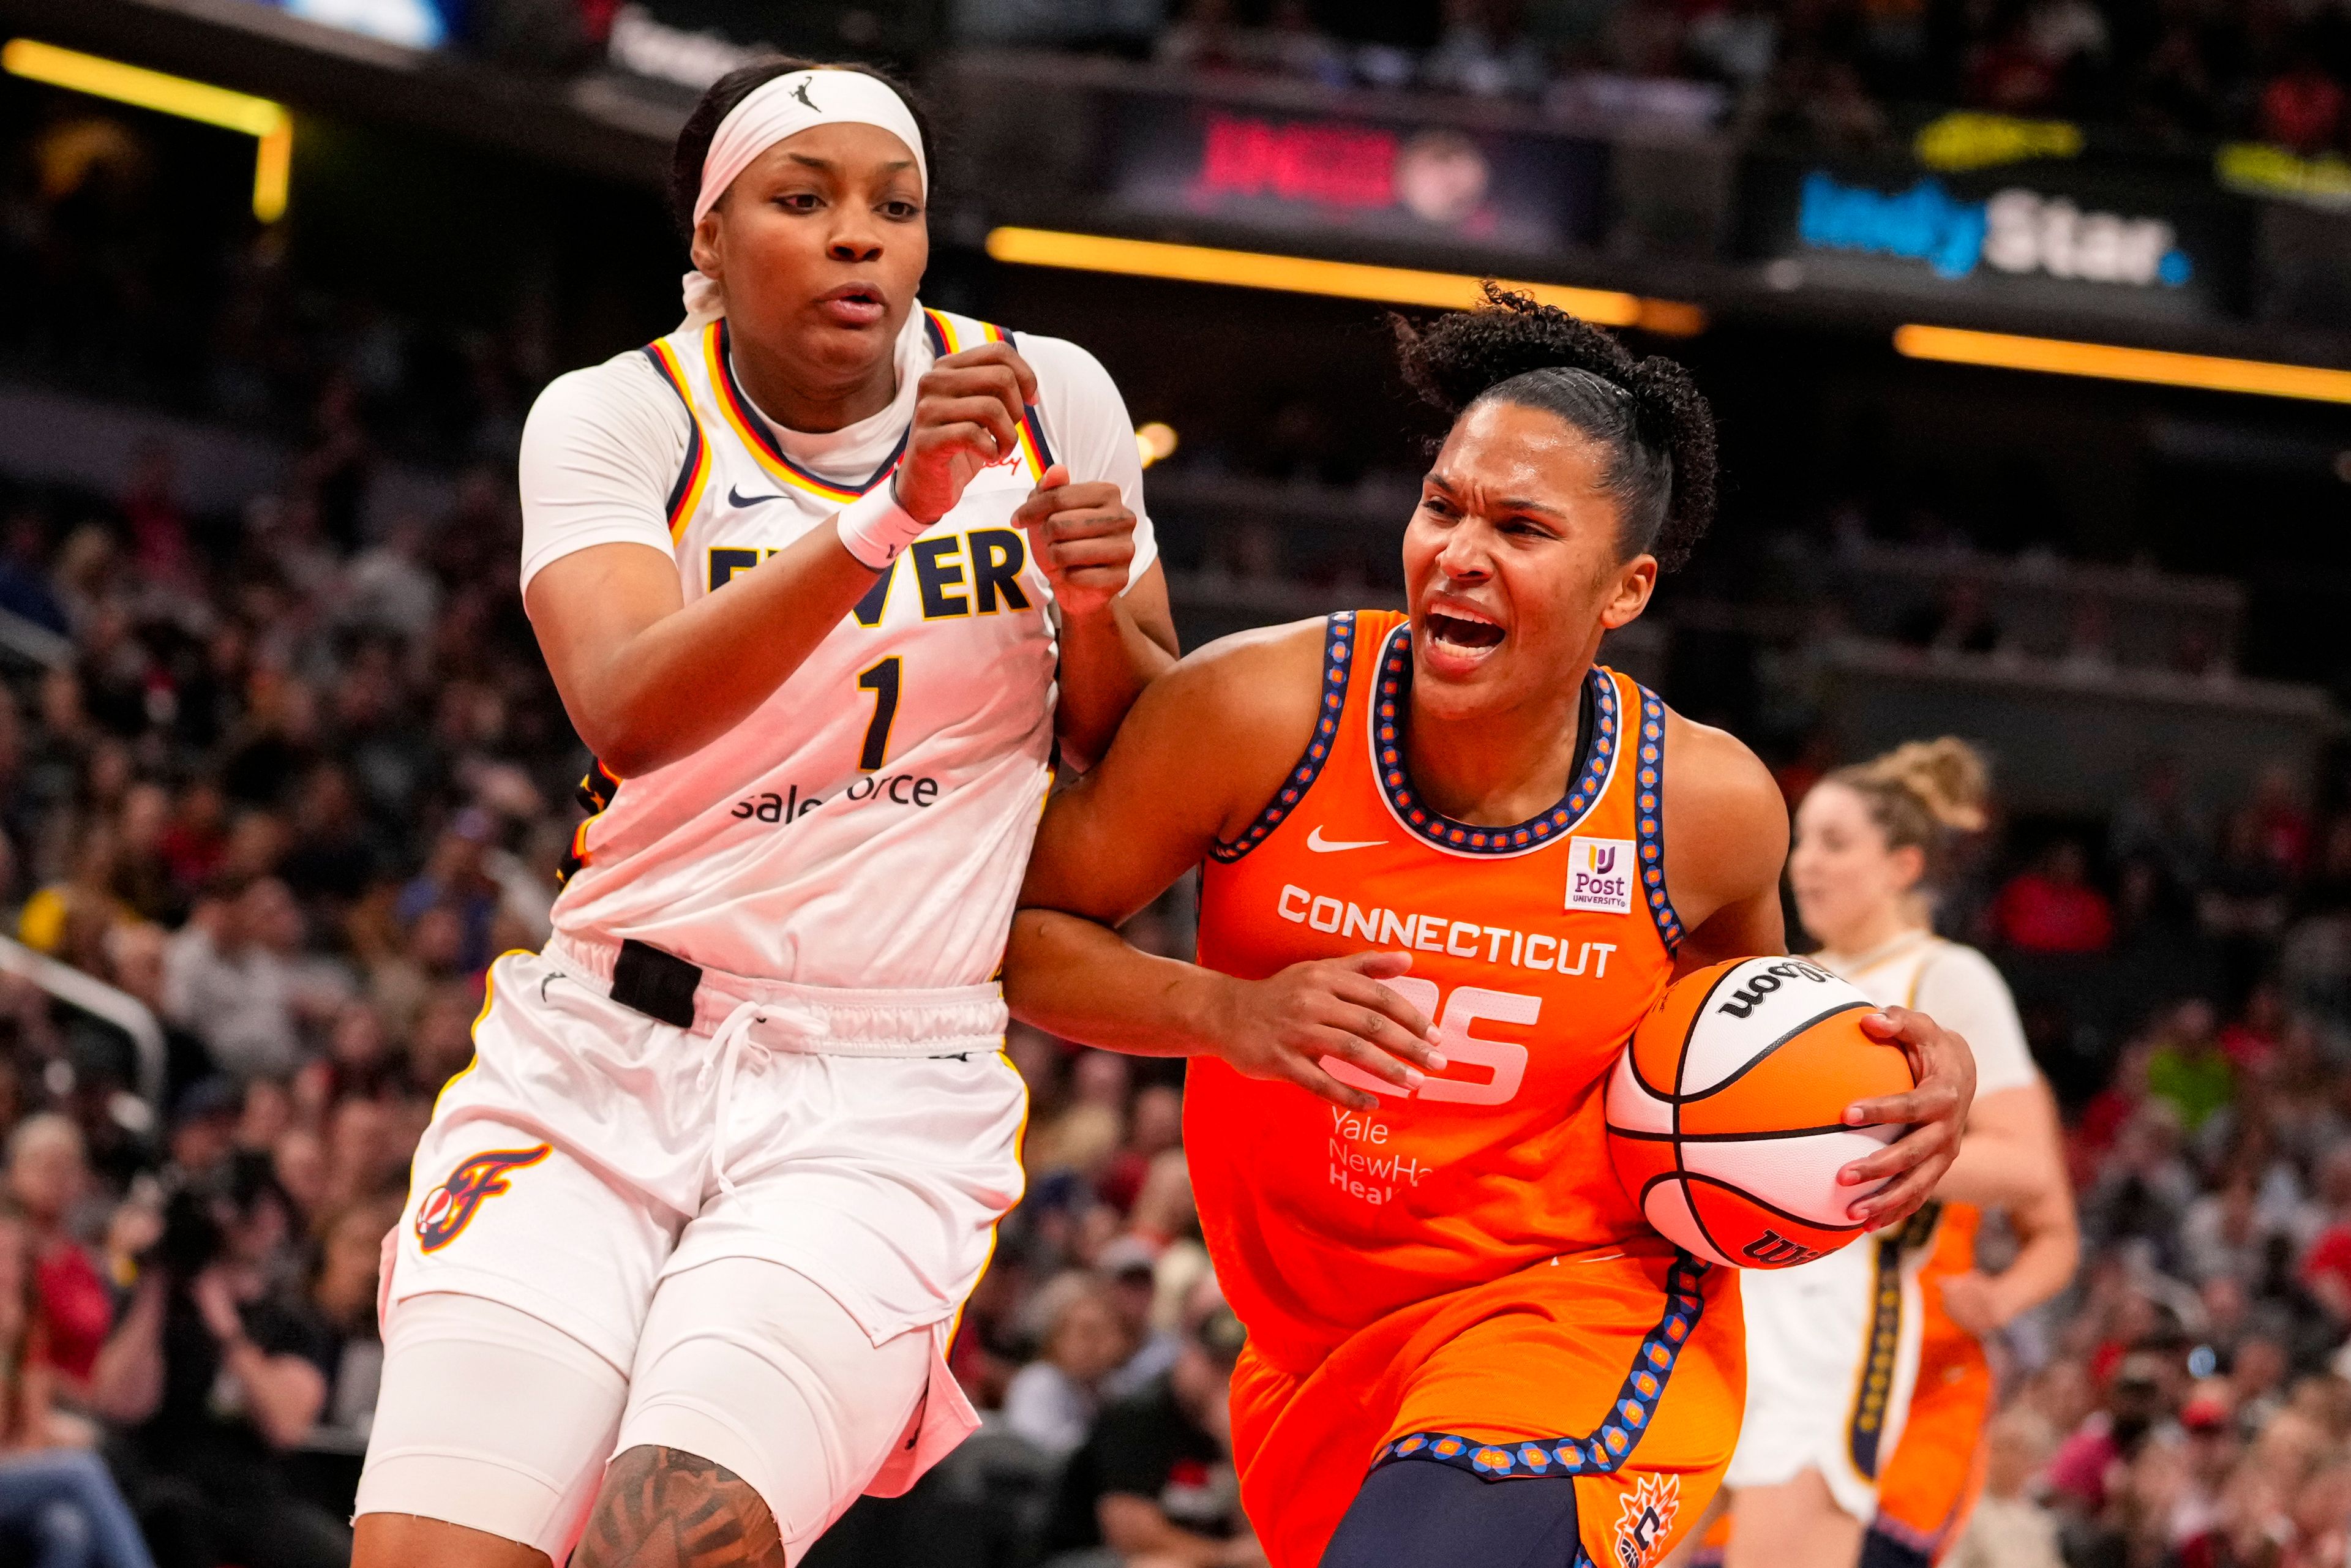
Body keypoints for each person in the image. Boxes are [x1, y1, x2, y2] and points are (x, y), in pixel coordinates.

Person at [351, 53, 1176, 1568]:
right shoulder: (615, 417)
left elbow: (1132, 755)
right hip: (602, 1056)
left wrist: (1094, 602)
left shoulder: (1050, 394)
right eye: (804, 200)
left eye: (896, 204)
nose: (860, 234)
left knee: (666, 1548)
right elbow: (628, 705)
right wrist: (894, 513)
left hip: (872, 1088)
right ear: (710, 242)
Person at [1003, 287, 1976, 1568]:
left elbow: (1760, 1041)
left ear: (1625, 586)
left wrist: (1908, 1075)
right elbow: (1023, 934)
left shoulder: (1706, 804)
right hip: (1318, 1348)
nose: (1460, 550)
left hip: (1586, 1319)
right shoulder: (1261, 711)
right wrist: (1222, 1009)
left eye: (1520, 526)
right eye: (1444, 504)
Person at [1714, 740, 2078, 1568]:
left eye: (1835, 843)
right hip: (1738, 1293)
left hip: (1854, 1309)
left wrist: (1843, 1147)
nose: (1805, 864)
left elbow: (2029, 1171)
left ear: (1904, 864)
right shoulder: (1785, 978)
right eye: (1800, 840)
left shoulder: (1946, 975)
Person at [0, 1203, 157, 1568]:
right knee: (81, 1471)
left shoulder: (27, 1331)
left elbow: (32, 1433)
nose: (6, 1269)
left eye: (15, 1258)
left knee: (67, 1527)